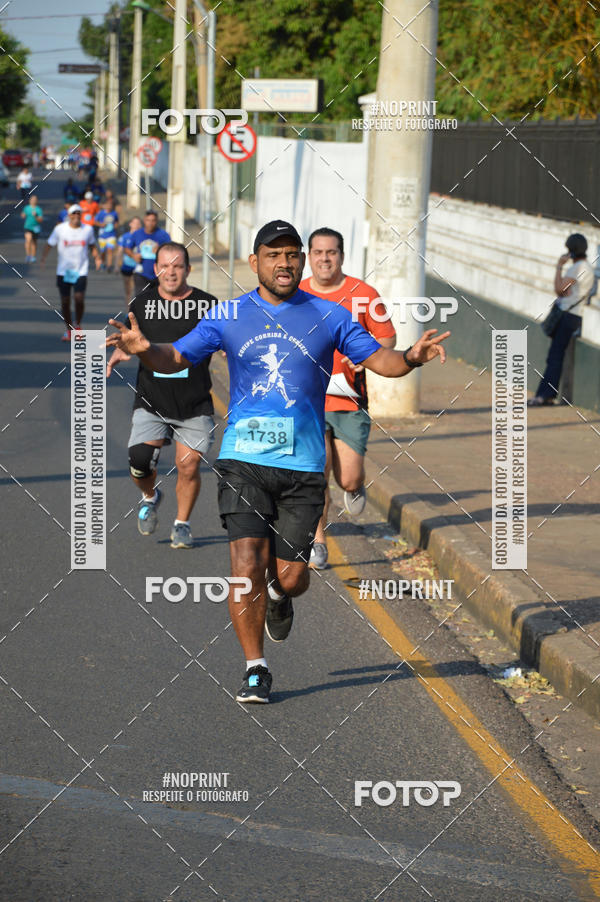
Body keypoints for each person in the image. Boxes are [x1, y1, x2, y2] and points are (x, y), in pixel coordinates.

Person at [106, 220, 450, 704]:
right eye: (273, 254)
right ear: (255, 262)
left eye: (292, 254)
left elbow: (380, 361)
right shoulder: (229, 315)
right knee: (245, 561)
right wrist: (148, 350)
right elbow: (177, 356)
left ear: (302, 261)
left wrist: (411, 357)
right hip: (244, 459)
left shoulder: (330, 316)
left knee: (291, 576)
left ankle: (279, 595)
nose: (284, 263)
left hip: (304, 464)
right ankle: (255, 667)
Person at [106, 242, 217, 549]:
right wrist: (121, 349)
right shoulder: (141, 303)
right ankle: (150, 495)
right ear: (155, 270)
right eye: (165, 266)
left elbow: (227, 340)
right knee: (139, 461)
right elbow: (130, 336)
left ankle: (182, 524)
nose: (171, 272)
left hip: (194, 402)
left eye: (178, 266)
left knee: (189, 464)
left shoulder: (208, 305)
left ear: (188, 270)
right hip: (152, 398)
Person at [299, 227, 397, 570]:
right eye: (318, 252)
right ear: (308, 256)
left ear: (341, 255)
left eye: (332, 252)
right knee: (316, 471)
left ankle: (354, 488)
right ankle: (318, 540)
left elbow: (387, 339)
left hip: (350, 401)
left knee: (348, 477)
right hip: (309, 402)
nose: (325, 259)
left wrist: (366, 355)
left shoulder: (364, 293)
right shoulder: (294, 294)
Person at [529, 233, 595, 406]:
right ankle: (546, 394)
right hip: (575, 314)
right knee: (556, 355)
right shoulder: (587, 267)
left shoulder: (577, 268)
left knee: (555, 356)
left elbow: (559, 289)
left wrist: (559, 267)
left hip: (567, 314)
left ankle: (544, 395)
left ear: (572, 250)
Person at [41, 204, 101, 341]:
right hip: (64, 271)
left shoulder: (88, 229)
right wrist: (43, 258)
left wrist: (97, 258)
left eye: (78, 213)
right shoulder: (60, 229)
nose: (76, 216)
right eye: (73, 214)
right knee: (65, 301)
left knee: (79, 298)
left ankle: (77, 324)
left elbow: (92, 245)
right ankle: (69, 330)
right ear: (69, 215)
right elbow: (50, 243)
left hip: (81, 270)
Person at [130, 210, 171, 297]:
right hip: (141, 273)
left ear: (156, 221)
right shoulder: (137, 234)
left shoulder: (163, 235)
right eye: (148, 220)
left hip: (159, 274)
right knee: (141, 299)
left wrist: (160, 250)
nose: (150, 223)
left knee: (157, 301)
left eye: (153, 221)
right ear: (144, 221)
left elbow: (171, 251)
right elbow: (127, 248)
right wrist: (133, 255)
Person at [117, 216, 142, 301]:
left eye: (139, 224)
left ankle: (136, 310)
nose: (137, 225)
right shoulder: (124, 237)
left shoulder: (142, 237)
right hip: (127, 265)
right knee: (128, 290)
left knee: (136, 289)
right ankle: (129, 311)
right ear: (130, 224)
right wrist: (117, 265)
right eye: (135, 223)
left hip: (139, 266)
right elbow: (120, 251)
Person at [94, 198, 119, 272]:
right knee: (103, 251)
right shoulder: (101, 213)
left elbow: (117, 221)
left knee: (110, 250)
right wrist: (101, 224)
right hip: (102, 236)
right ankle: (102, 263)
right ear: (104, 205)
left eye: (110, 204)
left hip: (111, 235)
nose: (109, 206)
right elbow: (95, 222)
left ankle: (109, 266)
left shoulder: (114, 213)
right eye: (108, 204)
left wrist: (115, 226)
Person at [21, 194, 43, 263]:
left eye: (35, 200)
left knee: (34, 242)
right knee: (28, 239)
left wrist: (36, 216)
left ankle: (33, 257)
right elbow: (23, 215)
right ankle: (28, 255)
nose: (33, 201)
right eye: (32, 200)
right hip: (27, 227)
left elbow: (40, 220)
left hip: (36, 227)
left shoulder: (38, 209)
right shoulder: (27, 208)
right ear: (30, 201)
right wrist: (23, 215)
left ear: (36, 201)